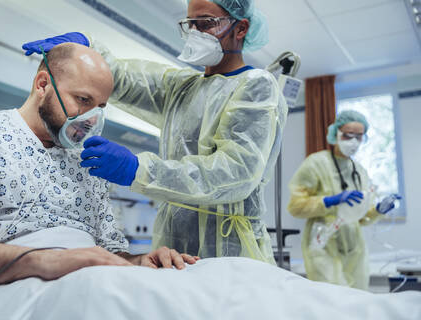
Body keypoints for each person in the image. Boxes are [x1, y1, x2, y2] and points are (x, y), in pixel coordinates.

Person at [0, 43, 198, 318]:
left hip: (92, 277)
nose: (91, 119)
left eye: (101, 107)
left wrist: (139, 260)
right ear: (42, 85)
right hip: (6, 285)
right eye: (84, 100)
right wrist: (50, 259)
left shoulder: (88, 164)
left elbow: (110, 253)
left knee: (210, 280)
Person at [22, 0, 287, 262]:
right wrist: (87, 45)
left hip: (231, 251)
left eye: (205, 24)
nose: (194, 33)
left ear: (240, 28)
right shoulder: (182, 88)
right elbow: (122, 78)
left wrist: (137, 169)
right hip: (173, 249)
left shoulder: (257, 87)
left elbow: (235, 174)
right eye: (189, 24)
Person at [287, 110, 401, 290]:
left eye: (359, 136)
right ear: (335, 133)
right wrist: (330, 201)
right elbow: (295, 206)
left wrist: (379, 209)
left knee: (357, 301)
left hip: (355, 247)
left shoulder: (360, 171)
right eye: (348, 135)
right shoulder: (316, 163)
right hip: (322, 243)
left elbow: (362, 218)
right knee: (331, 301)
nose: (354, 141)